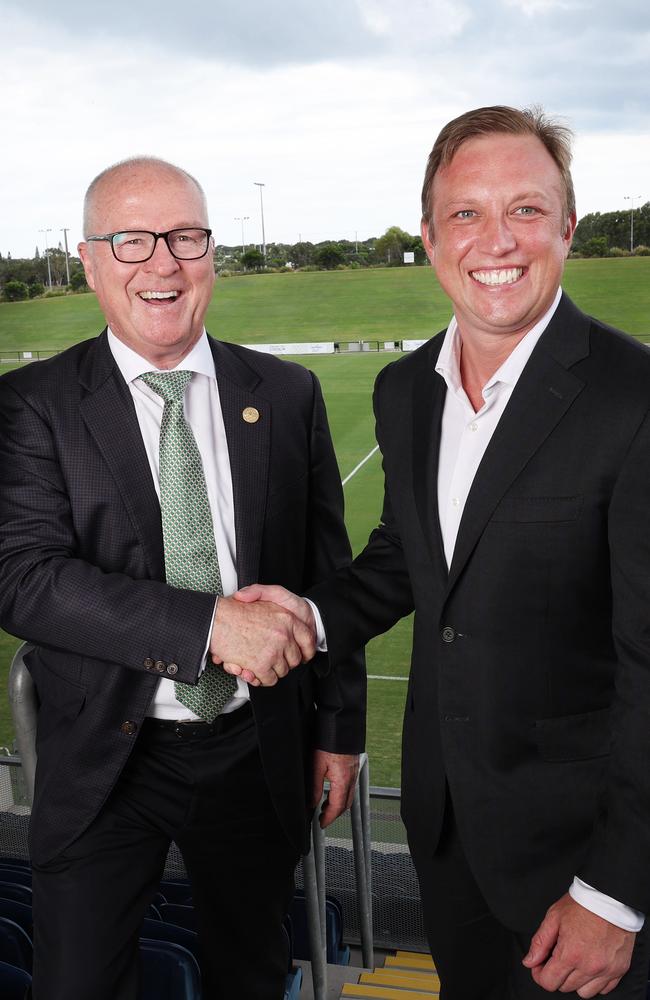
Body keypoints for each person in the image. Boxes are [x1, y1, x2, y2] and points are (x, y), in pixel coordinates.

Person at [232, 107, 650, 998]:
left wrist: (615, 894)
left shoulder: (636, 397)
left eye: (527, 210)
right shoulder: (405, 390)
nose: (495, 240)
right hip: (448, 829)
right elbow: (411, 554)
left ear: (568, 228)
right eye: (466, 213)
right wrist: (308, 614)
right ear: (429, 237)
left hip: (581, 864)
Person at [0, 156, 365, 1000]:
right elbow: (21, 577)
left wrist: (340, 729)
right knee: (77, 983)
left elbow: (328, 578)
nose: (162, 263)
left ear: (211, 255)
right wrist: (207, 627)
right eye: (132, 241)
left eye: (186, 237)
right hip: (103, 759)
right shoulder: (31, 406)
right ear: (89, 261)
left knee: (251, 971)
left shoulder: (286, 392)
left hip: (253, 746)